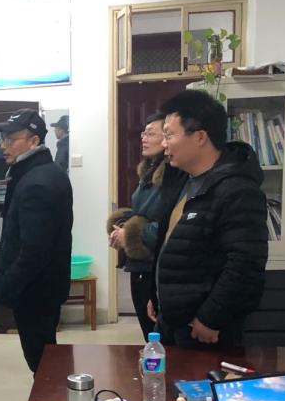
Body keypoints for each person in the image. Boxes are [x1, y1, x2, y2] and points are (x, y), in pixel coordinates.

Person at [152, 89, 268, 348]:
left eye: (169, 135)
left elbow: (245, 265)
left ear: (200, 137)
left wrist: (210, 318)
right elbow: (169, 242)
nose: (164, 144)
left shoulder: (237, 190)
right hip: (174, 320)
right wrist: (157, 294)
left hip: (205, 329)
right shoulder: (181, 180)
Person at [0, 108, 73, 374]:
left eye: (10, 139)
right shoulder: (40, 173)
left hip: (35, 291)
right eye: (3, 139)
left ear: (34, 141)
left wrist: (7, 286)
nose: (3, 145)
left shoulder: (37, 183)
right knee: (47, 359)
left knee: (43, 363)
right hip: (43, 288)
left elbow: (34, 251)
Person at [106, 112, 186, 341]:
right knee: (150, 335)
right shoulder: (149, 172)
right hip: (140, 265)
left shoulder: (174, 176)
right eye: (143, 133)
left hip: (155, 266)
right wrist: (121, 228)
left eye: (151, 133)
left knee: (160, 338)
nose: (143, 138)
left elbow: (169, 225)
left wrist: (131, 234)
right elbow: (141, 213)